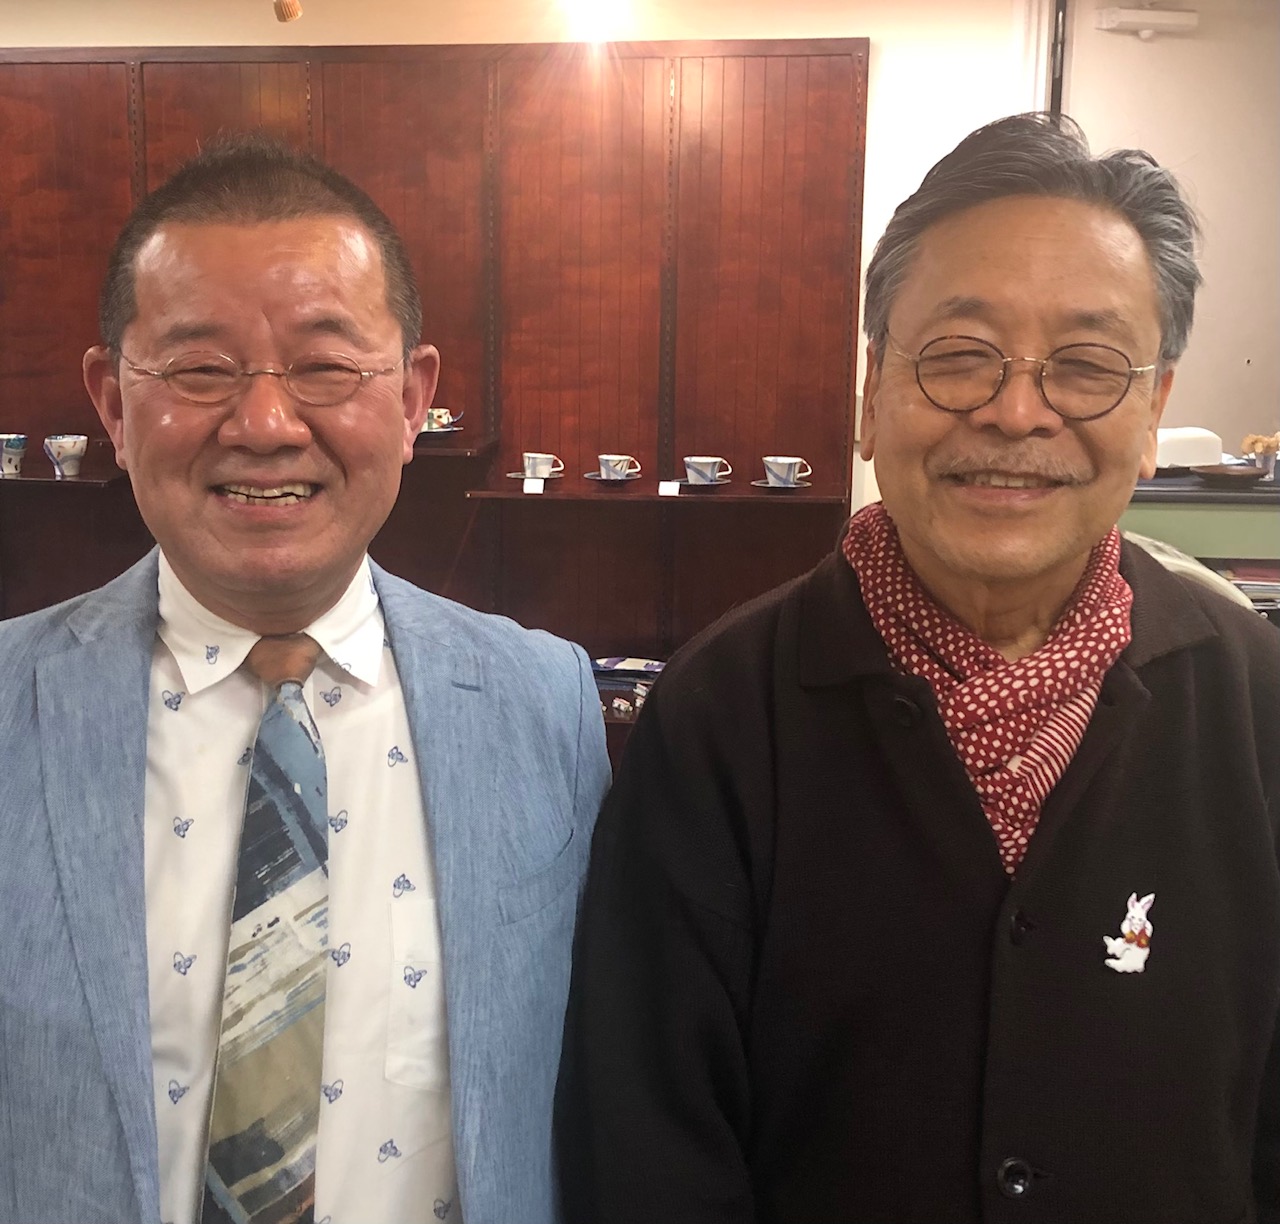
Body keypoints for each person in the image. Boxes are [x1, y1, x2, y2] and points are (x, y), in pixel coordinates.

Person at [556, 113, 1280, 1223]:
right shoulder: (718, 717)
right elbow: (648, 1147)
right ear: (870, 392)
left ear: (1152, 415)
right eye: (958, 355)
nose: (1016, 411)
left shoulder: (1252, 700)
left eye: (1086, 366)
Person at [0, 134, 609, 1224]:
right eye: (199, 370)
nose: (267, 426)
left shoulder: (544, 706)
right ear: (114, 406)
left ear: (412, 400)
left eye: (327, 368)